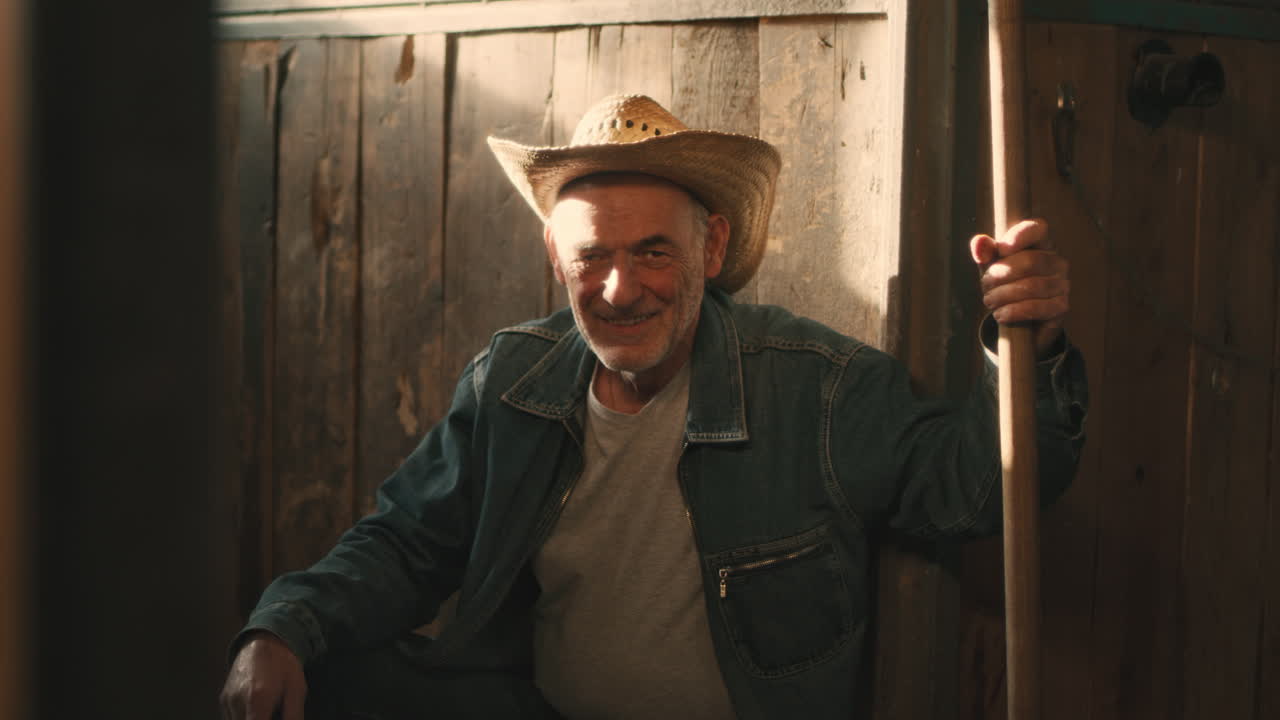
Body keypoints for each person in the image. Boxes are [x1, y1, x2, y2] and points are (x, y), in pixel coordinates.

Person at [220, 94, 1086, 720]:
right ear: (553, 255)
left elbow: (979, 486)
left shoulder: (814, 385)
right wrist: (280, 630)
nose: (620, 288)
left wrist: (1029, 344)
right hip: (537, 709)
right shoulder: (513, 381)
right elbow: (406, 541)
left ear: (711, 248)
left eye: (653, 252)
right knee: (316, 677)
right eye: (592, 256)